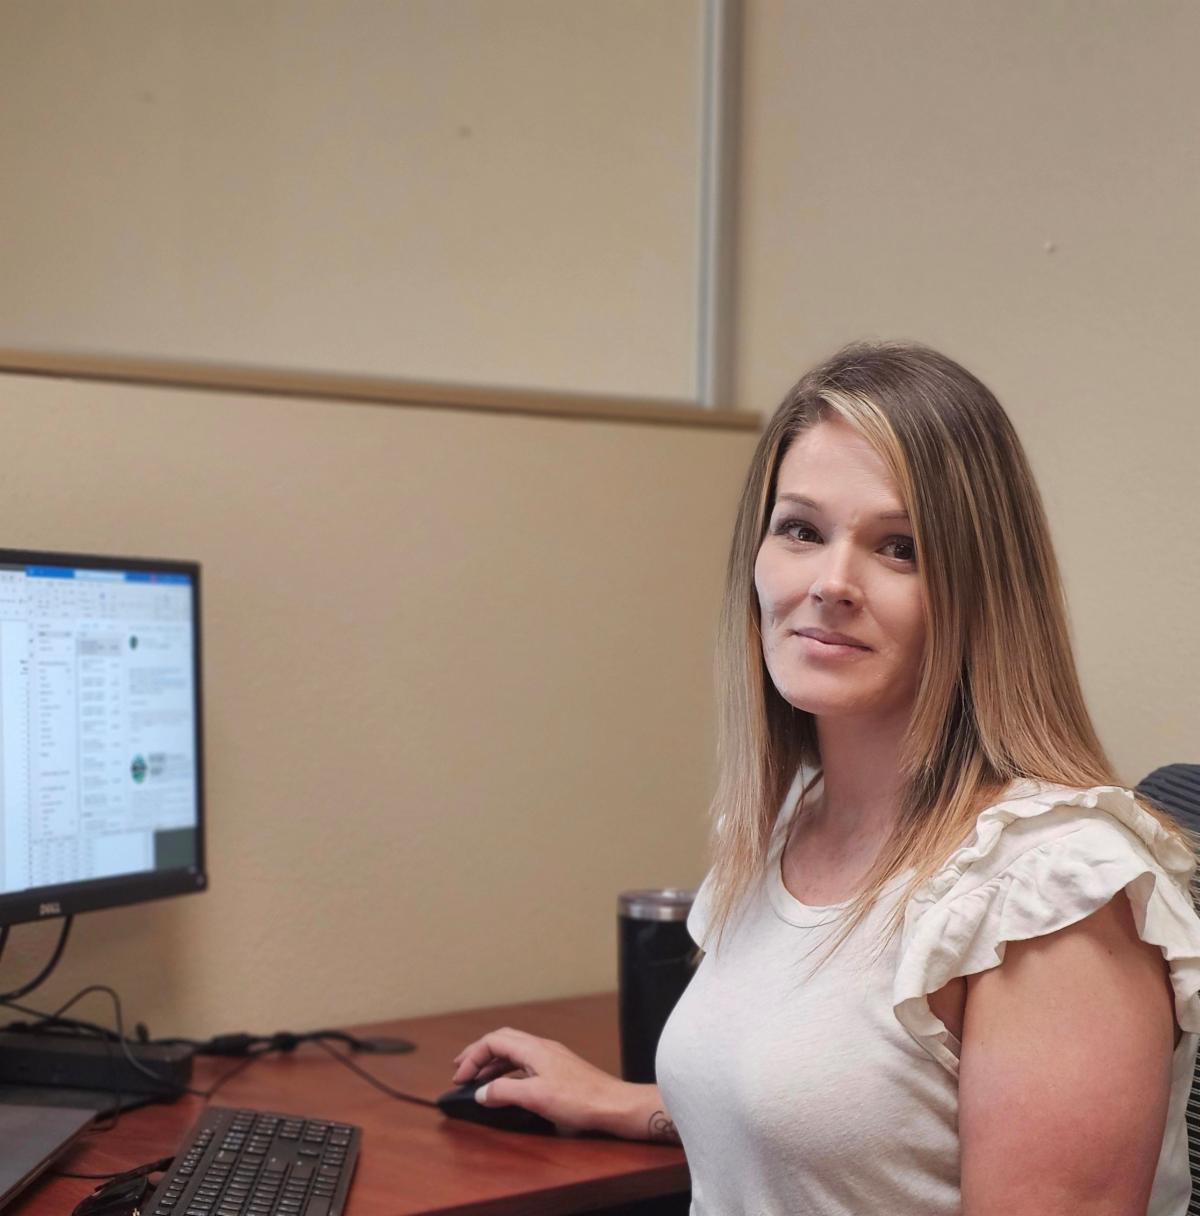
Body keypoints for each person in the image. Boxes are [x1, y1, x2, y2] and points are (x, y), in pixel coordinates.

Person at [450, 341, 1200, 1215]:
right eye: (802, 531)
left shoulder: (1051, 893)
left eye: (900, 548)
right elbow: (858, 1127)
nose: (832, 583)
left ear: (983, 595)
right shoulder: (797, 819)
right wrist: (628, 1104)